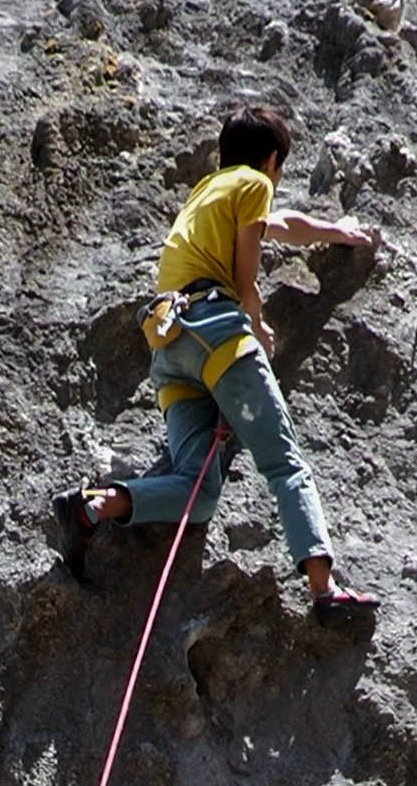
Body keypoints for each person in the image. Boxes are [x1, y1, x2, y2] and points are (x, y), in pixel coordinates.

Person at [54, 104, 381, 627]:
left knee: (198, 493)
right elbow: (248, 265)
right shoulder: (254, 183)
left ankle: (95, 506)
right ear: (271, 161)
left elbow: (280, 226)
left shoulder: (206, 193)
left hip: (170, 348)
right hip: (216, 334)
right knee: (283, 462)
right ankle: (325, 590)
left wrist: (335, 231)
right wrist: (255, 318)